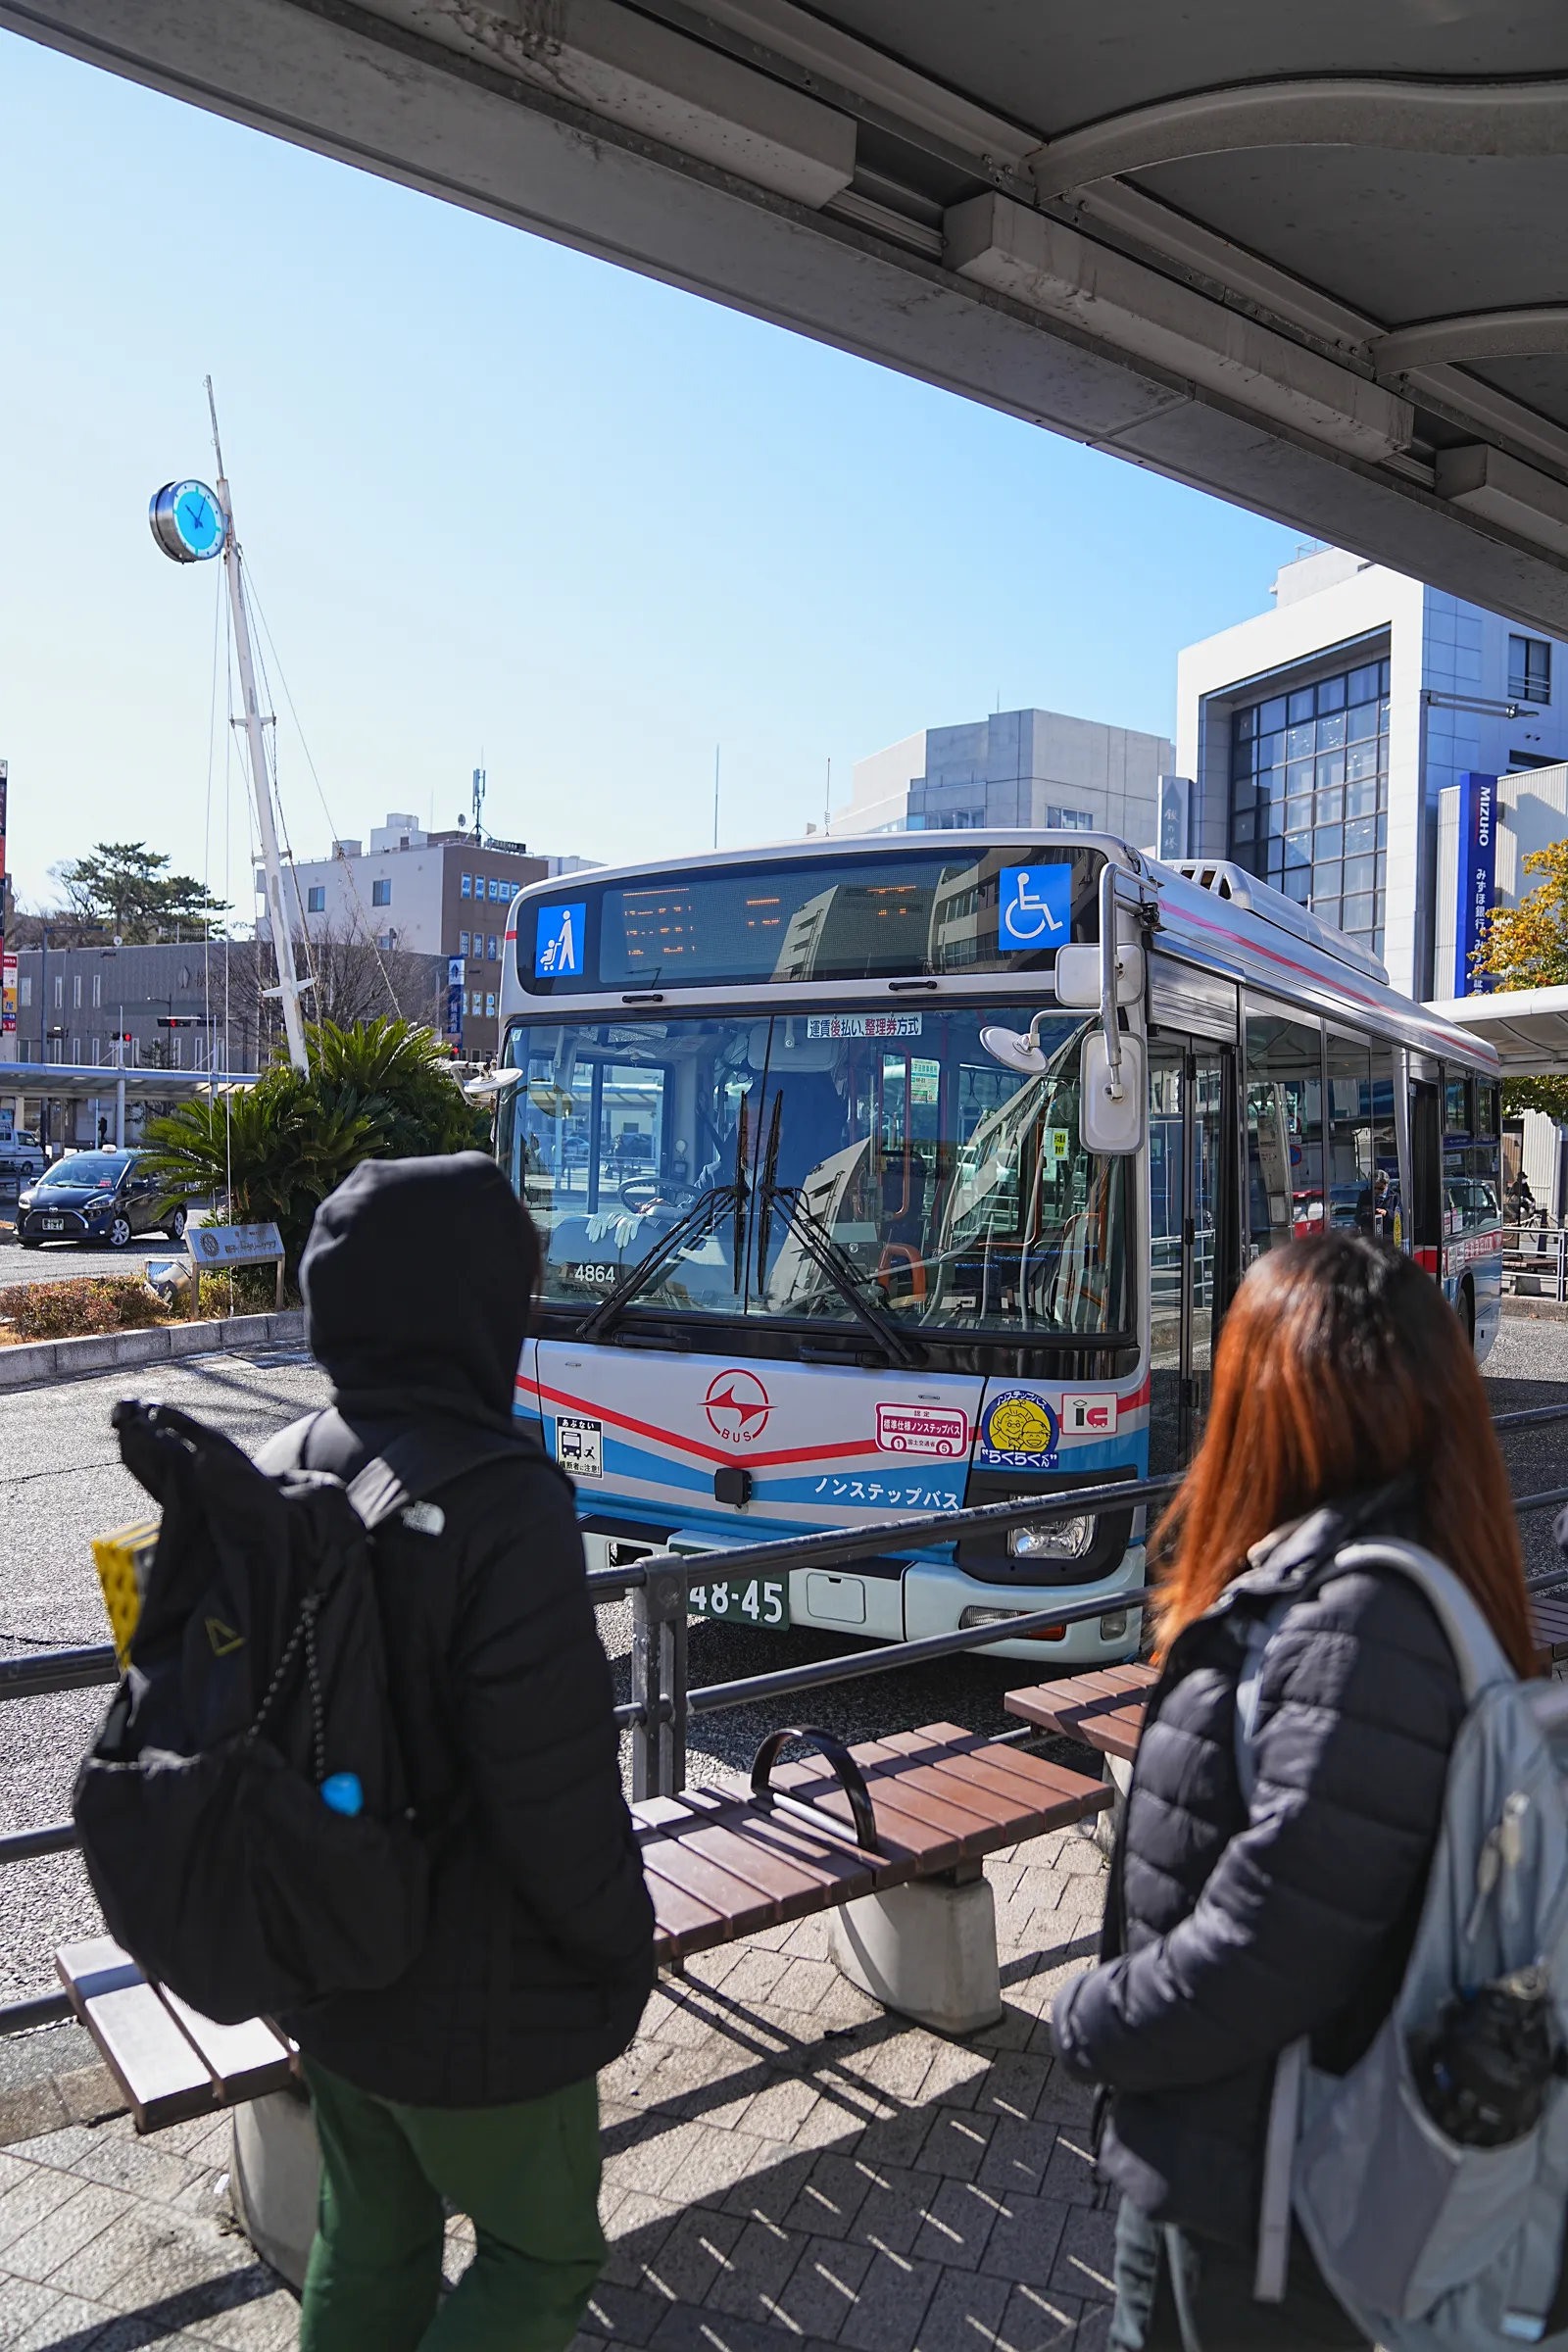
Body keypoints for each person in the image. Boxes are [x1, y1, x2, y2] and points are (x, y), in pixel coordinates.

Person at [1051, 1231, 1535, 2351]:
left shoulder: (1356, 1625)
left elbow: (1268, 1943)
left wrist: (1088, 2019)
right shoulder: (1353, 1585)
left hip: (1272, 2211)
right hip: (1241, 2167)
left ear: (1280, 1407)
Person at [259, 1152, 655, 2352]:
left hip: (326, 1960)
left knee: (369, 2236)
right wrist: (618, 1948)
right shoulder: (506, 1499)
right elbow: (556, 1792)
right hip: (482, 1994)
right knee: (541, 2256)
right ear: (473, 1304)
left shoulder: (279, 1463)